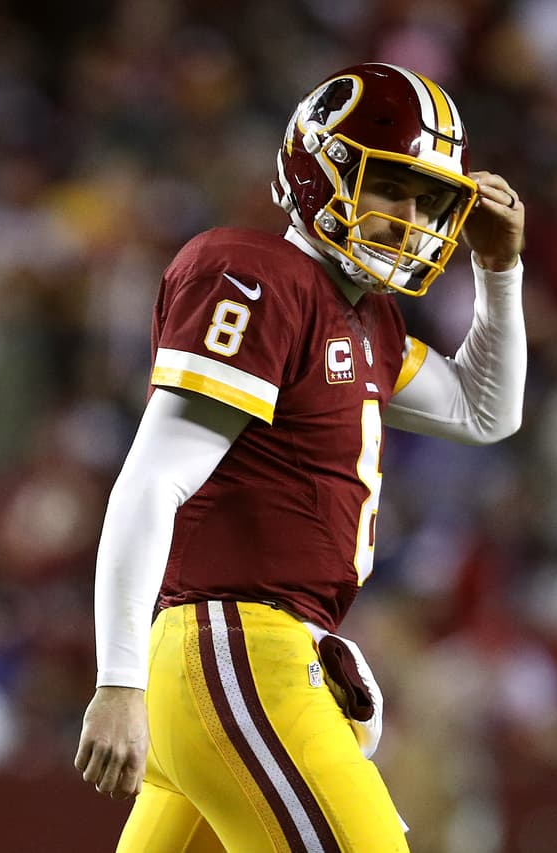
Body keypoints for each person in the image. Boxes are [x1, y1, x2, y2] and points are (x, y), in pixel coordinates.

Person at [73, 62, 526, 852]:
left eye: (428, 198)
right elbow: (151, 479)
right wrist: (117, 679)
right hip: (237, 653)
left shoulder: (364, 321)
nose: (410, 217)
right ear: (322, 172)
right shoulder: (254, 277)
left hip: (242, 662)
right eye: (391, 187)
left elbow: (486, 410)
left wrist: (500, 269)